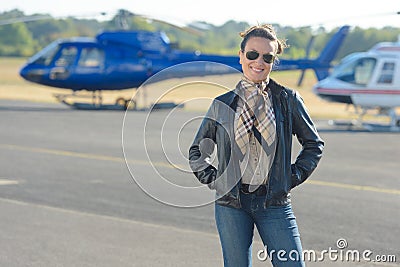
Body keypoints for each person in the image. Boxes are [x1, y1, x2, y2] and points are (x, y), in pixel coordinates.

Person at [189, 24, 324, 267]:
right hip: (231, 205)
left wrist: (290, 176)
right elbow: (198, 151)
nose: (258, 62)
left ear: (273, 61)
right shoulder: (223, 104)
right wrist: (216, 180)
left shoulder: (288, 100)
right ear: (241, 56)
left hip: (274, 203)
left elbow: (313, 144)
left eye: (267, 57)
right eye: (252, 54)